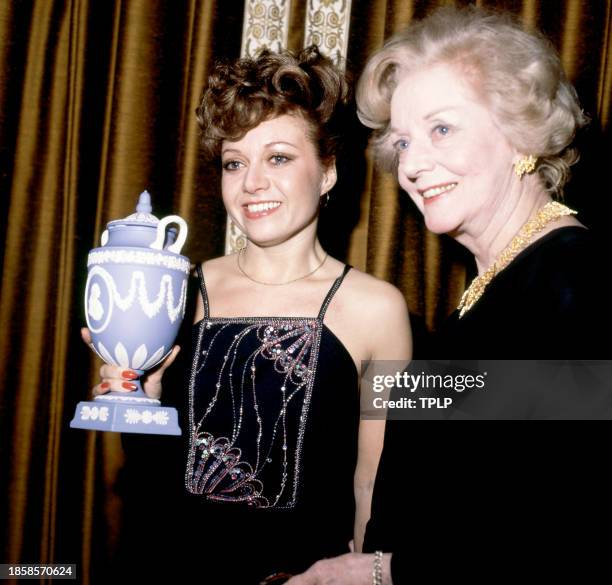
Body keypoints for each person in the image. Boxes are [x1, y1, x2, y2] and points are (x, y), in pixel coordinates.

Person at [288, 6, 611, 585]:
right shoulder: (493, 286)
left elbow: (574, 534)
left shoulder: (572, 282)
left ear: (522, 134)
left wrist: (382, 571)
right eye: (403, 142)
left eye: (442, 129)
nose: (412, 165)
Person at [84, 45, 411, 584]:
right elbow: (151, 479)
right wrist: (139, 401)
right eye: (235, 162)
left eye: (278, 158)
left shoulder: (377, 309)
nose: (252, 182)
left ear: (327, 172)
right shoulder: (179, 287)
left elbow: (372, 483)